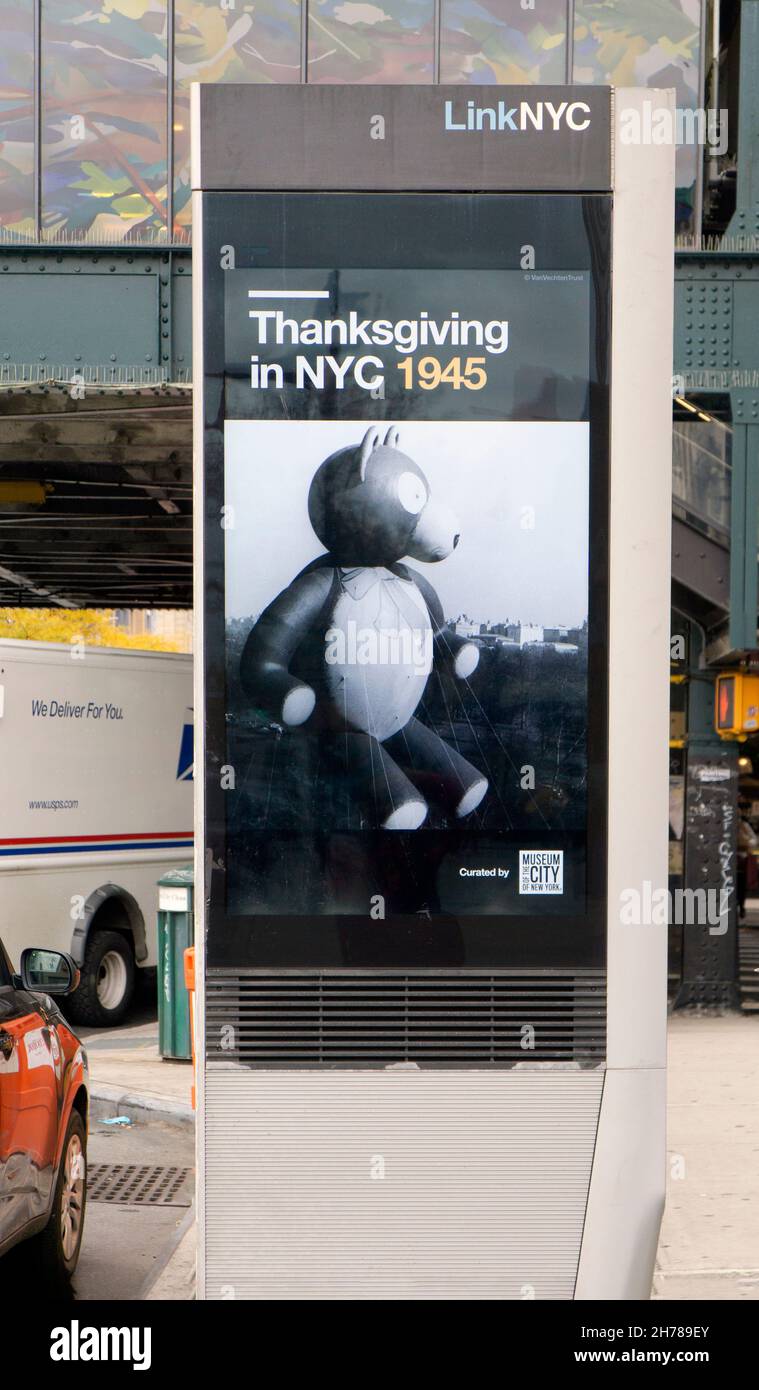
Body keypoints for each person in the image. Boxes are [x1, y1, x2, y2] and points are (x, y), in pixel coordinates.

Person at [736, 804, 758, 920]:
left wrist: (744, 838)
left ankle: (741, 906)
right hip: (728, 859)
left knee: (741, 885)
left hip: (741, 859)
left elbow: (754, 840)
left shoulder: (743, 826)